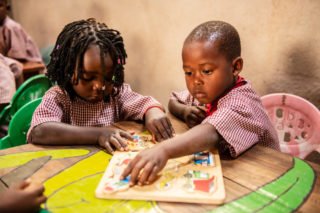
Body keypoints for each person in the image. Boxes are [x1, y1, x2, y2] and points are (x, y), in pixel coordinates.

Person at [121, 20, 280, 186]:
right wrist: (184, 111)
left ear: (235, 67)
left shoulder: (243, 102)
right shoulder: (208, 91)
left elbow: (211, 133)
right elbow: (173, 100)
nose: (196, 80)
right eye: (188, 72)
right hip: (236, 172)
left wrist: (163, 150)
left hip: (266, 178)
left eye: (206, 71)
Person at [27, 18, 174, 154]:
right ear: (69, 70)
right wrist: (100, 134)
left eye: (108, 78)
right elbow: (40, 131)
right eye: (88, 77)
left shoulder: (116, 94)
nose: (100, 86)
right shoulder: (59, 97)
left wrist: (153, 114)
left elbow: (146, 104)